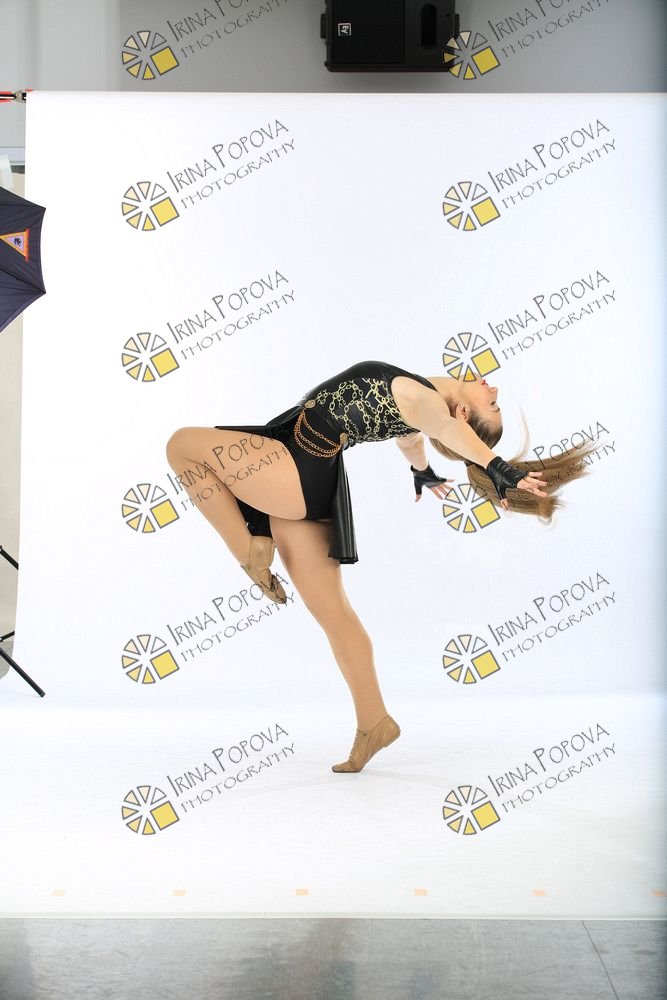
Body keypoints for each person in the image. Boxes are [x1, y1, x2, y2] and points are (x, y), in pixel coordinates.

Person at [166, 361, 591, 774]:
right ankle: (374, 723)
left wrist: (499, 468)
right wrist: (422, 471)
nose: (493, 389)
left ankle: (250, 551)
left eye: (492, 404)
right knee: (335, 615)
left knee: (181, 445)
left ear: (463, 413)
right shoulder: (421, 400)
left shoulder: (427, 403)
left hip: (296, 466)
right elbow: (413, 438)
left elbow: (445, 430)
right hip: (307, 475)